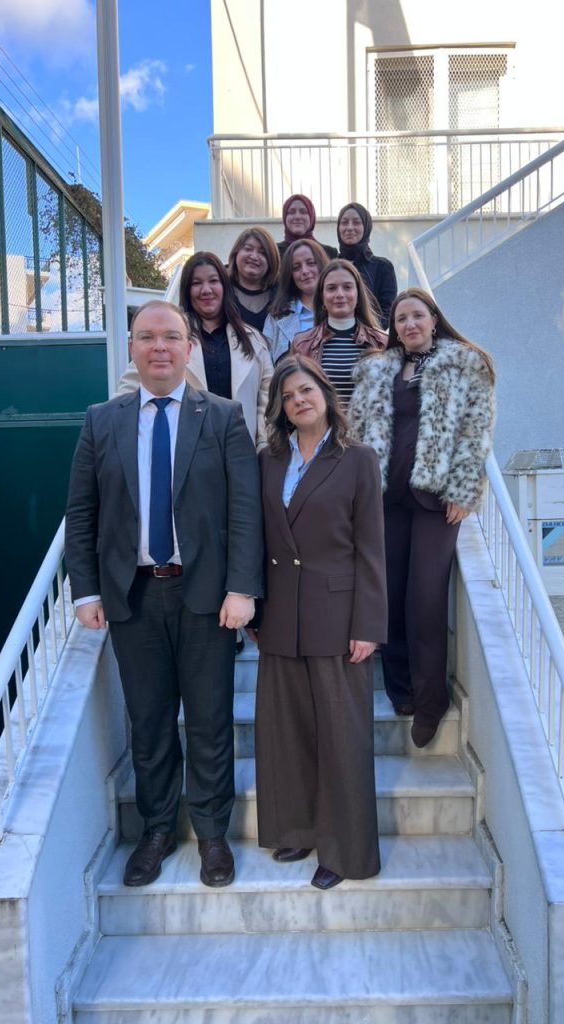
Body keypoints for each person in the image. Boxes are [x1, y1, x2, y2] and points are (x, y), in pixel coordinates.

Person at [65, 300, 263, 889]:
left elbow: (245, 510)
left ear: (188, 348)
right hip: (133, 599)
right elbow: (82, 512)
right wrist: (85, 591)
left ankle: (212, 834)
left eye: (171, 337)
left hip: (205, 597)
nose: (159, 347)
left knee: (209, 722)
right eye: (147, 336)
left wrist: (242, 587)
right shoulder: (101, 420)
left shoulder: (223, 416)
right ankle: (156, 830)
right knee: (149, 724)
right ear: (131, 347)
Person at [250, 355, 387, 890]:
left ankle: (345, 850)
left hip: (338, 615)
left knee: (341, 737)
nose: (298, 401)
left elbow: (371, 548)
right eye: (287, 397)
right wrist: (255, 605)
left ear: (326, 395)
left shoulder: (358, 459)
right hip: (280, 616)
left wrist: (368, 624)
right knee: (286, 733)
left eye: (305, 390)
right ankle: (297, 829)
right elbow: (256, 535)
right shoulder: (268, 460)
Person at [349, 288, 495, 748]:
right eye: (401, 318)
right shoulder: (379, 369)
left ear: (433, 318)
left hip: (435, 500)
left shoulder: (464, 362)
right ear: (393, 327)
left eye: (417, 315)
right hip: (387, 498)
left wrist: (465, 487)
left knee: (425, 600)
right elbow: (358, 430)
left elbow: (477, 427)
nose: (409, 324)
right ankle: (401, 690)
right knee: (390, 595)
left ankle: (431, 701)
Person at [119, 253, 273, 449]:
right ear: (187, 290)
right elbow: (128, 391)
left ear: (225, 287)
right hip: (186, 453)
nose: (206, 290)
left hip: (240, 450)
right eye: (196, 283)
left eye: (213, 281)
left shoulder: (254, 340)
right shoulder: (169, 339)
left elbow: (267, 402)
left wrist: (263, 446)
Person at [291, 258, 387, 408]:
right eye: (332, 288)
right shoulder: (302, 344)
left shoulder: (382, 342)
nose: (340, 294)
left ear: (358, 294)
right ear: (322, 296)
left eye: (347, 287)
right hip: (322, 424)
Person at [262, 238, 329, 362]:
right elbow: (266, 365)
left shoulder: (340, 309)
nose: (305, 271)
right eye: (296, 268)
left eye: (311, 263)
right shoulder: (277, 317)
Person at [336, 202, 397, 328]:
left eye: (356, 222)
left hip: (371, 337)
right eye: (344, 222)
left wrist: (365, 333)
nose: (350, 227)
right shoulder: (330, 266)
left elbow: (388, 313)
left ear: (366, 227)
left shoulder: (382, 267)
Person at [226, 226, 281, 333]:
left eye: (263, 253)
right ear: (236, 252)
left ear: (271, 260)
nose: (254, 257)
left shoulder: (282, 293)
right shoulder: (221, 288)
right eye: (248, 249)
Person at [276, 193, 337, 261]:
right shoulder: (274, 252)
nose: (297, 217)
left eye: (303, 212)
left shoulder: (329, 253)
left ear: (311, 216)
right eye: (291, 212)